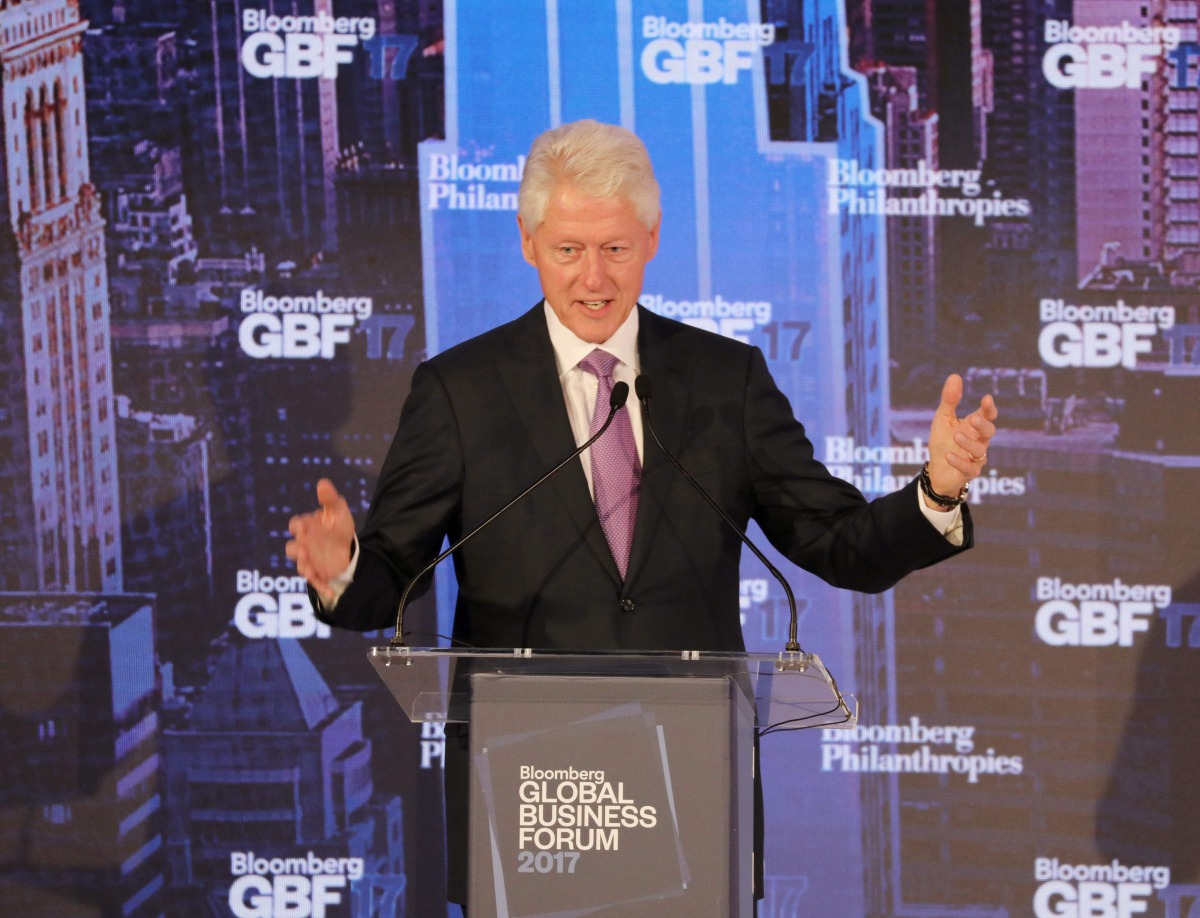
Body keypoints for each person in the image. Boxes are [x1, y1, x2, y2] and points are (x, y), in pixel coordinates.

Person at [286, 119, 998, 908]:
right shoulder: (460, 391)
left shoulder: (724, 381)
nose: (594, 278)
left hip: (692, 788)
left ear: (651, 237)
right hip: (528, 796)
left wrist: (934, 491)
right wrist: (342, 568)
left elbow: (839, 545)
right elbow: (392, 573)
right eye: (568, 250)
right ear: (527, 241)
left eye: (615, 249)